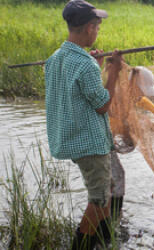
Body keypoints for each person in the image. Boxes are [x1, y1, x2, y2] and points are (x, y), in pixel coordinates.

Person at [45, 0, 123, 249]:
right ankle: (80, 244)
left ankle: (104, 238)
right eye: (97, 27)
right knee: (99, 199)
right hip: (90, 142)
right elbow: (102, 105)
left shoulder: (55, 59)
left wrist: (97, 68)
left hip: (72, 138)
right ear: (89, 28)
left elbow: (79, 92)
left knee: (107, 187)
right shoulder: (85, 64)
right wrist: (113, 72)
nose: (97, 32)